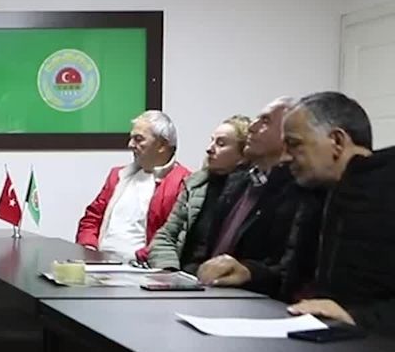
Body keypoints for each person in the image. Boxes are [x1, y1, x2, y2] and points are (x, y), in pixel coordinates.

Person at [199, 92, 395, 336]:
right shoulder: (313, 195)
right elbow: (293, 278)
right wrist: (250, 273)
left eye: (294, 144)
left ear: (336, 142)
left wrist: (357, 318)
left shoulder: (385, 191)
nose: (285, 156)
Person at [201, 97, 319, 277]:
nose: (252, 127)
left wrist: (249, 273)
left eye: (265, 121)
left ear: (288, 135)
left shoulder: (298, 192)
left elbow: (287, 270)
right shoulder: (237, 182)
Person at [76, 110, 191, 262]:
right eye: (131, 138)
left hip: (142, 269)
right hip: (99, 265)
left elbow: (175, 238)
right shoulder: (118, 176)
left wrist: (137, 259)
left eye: (138, 139)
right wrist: (89, 248)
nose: (130, 145)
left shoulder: (184, 183)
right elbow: (92, 219)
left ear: (162, 145)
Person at [148, 115, 250, 272]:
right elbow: (165, 236)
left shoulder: (251, 192)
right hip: (184, 275)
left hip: (221, 279)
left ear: (243, 154)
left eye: (221, 144)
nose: (209, 149)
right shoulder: (195, 185)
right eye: (212, 141)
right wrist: (169, 271)